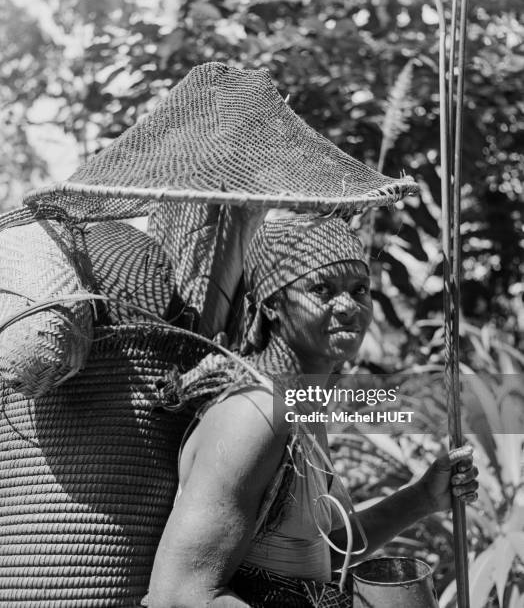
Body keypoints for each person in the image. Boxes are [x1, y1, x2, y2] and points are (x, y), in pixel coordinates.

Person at [146, 215, 478, 608]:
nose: (348, 307)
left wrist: (422, 497)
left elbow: (324, 555)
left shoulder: (301, 406)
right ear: (272, 305)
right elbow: (181, 595)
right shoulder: (254, 414)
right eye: (322, 289)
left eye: (360, 290)